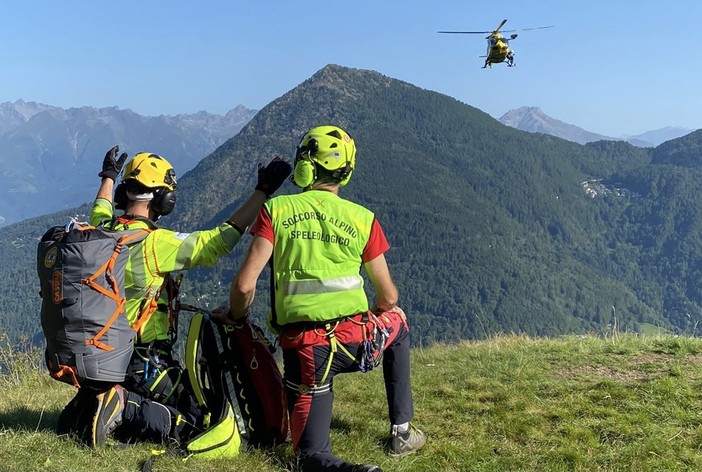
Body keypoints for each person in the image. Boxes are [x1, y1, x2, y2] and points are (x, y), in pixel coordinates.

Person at [220, 125, 426, 472]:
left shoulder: (278, 211)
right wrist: (375, 313)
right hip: (358, 340)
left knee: (311, 456)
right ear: (346, 170)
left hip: (308, 354)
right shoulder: (363, 218)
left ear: (305, 165)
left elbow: (243, 287)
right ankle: (401, 432)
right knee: (399, 325)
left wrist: (237, 318)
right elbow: (389, 296)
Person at [57, 145, 291, 447]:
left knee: (149, 415)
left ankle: (94, 404)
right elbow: (218, 241)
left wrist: (108, 176)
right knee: (197, 421)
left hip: (103, 357)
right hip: (143, 360)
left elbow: (100, 209)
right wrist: (262, 192)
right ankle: (124, 405)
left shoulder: (100, 233)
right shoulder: (156, 244)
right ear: (163, 199)